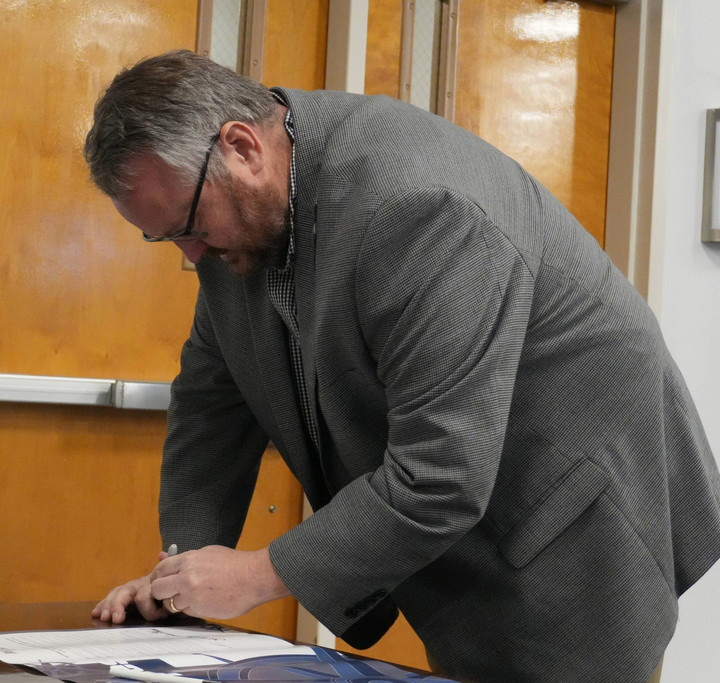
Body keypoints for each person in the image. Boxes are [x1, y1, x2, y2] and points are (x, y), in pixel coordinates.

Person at [81, 50, 720, 682]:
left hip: (570, 512)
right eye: (165, 239)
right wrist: (176, 579)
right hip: (466, 516)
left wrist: (254, 575)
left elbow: (441, 476)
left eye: (189, 225)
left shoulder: (419, 205)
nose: (191, 255)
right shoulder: (237, 224)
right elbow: (210, 407)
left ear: (243, 147)